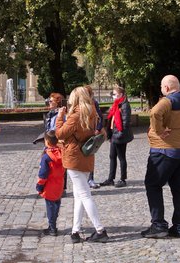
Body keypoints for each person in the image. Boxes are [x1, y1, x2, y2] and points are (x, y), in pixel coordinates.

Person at [142, 75, 180, 239]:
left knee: (153, 184)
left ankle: (158, 224)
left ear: (166, 88)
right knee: (179, 188)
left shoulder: (168, 101)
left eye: (161, 86)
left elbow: (154, 113)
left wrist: (159, 131)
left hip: (164, 150)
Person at [55, 86, 109, 243]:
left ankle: (100, 230)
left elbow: (60, 133)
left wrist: (60, 117)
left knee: (84, 194)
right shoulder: (92, 112)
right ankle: (75, 231)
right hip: (86, 154)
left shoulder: (76, 115)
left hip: (74, 156)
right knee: (79, 194)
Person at [99, 86, 134, 188]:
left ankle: (123, 179)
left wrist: (119, 135)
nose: (113, 96)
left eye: (115, 94)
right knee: (112, 156)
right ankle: (111, 179)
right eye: (113, 94)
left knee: (121, 157)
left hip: (120, 135)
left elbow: (125, 122)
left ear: (121, 95)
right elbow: (112, 119)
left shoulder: (125, 105)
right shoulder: (116, 104)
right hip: (114, 135)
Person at [36, 130, 64, 236]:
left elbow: (43, 174)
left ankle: (52, 227)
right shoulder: (61, 153)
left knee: (50, 207)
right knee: (56, 205)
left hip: (49, 185)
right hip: (59, 183)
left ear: (46, 141)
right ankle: (53, 225)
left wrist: (39, 186)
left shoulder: (47, 157)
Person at [84, 85, 104, 189]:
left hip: (91, 134)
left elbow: (100, 117)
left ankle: (90, 179)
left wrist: (98, 129)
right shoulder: (79, 104)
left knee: (90, 156)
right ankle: (83, 179)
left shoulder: (94, 103)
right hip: (82, 134)